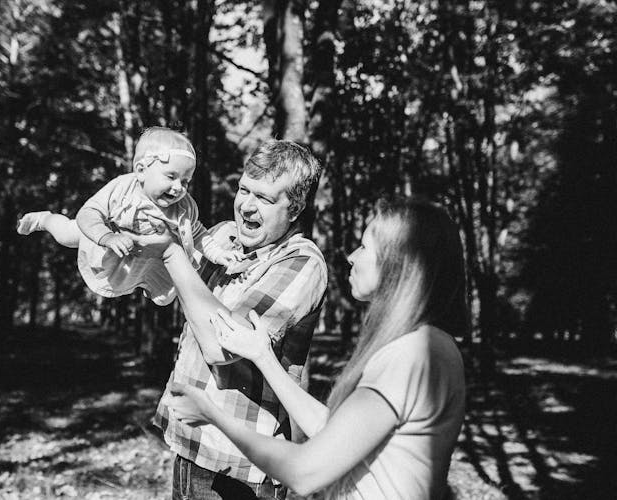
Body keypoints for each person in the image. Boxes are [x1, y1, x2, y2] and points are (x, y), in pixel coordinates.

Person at [169, 199, 468, 500]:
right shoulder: (422, 346)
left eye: (364, 248)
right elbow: (333, 431)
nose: (351, 257)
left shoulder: (415, 354)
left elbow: (304, 472)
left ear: (398, 265)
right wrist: (263, 355)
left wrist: (212, 415)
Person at [129, 140, 327, 500]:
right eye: (243, 189)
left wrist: (174, 252)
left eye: (265, 199)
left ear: (295, 208)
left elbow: (221, 349)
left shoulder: (301, 263)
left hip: (241, 462)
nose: (246, 207)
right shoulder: (221, 236)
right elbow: (166, 289)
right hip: (192, 441)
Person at [16, 127, 240, 305]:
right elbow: (89, 213)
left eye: (185, 181)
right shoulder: (122, 188)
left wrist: (219, 254)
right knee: (66, 234)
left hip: (141, 256)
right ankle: (45, 219)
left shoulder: (183, 206)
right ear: (141, 170)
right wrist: (106, 237)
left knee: (158, 287)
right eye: (170, 176)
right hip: (102, 235)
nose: (178, 187)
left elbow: (198, 232)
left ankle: (143, 284)